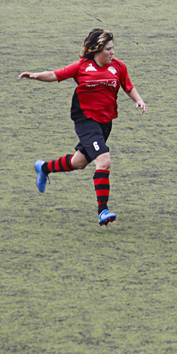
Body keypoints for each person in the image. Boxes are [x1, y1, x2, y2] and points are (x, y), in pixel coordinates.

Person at [18, 29, 146, 226]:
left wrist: (139, 100)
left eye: (113, 49)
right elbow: (55, 75)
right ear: (97, 49)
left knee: (79, 162)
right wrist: (35, 76)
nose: (112, 53)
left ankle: (43, 168)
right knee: (104, 160)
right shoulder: (82, 67)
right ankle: (103, 210)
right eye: (108, 49)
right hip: (86, 121)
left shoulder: (119, 67)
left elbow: (127, 86)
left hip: (105, 123)